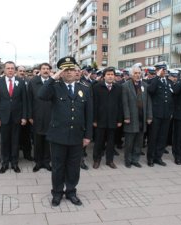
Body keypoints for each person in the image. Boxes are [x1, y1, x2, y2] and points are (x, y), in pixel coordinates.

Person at [38, 56, 93, 207]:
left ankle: (71, 192)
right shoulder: (54, 87)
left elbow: (89, 114)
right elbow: (41, 95)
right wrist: (53, 77)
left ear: (76, 71)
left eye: (71, 69)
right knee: (57, 166)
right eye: (65, 70)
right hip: (58, 136)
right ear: (61, 72)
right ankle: (57, 193)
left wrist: (88, 135)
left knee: (74, 166)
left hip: (77, 136)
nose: (69, 72)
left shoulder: (85, 89)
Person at [0, 61, 27, 174]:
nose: (10, 70)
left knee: (15, 141)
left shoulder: (21, 82)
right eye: (8, 68)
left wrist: (24, 117)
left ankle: (14, 163)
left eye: (12, 68)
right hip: (3, 117)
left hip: (17, 117)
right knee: (4, 141)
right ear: (4, 69)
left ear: (15, 70)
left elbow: (24, 101)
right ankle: (4, 163)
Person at [92, 67, 123, 169]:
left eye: (112, 74)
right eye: (108, 74)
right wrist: (94, 119)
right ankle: (96, 160)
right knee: (98, 141)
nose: (110, 76)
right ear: (104, 76)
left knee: (111, 142)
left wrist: (119, 120)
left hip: (113, 120)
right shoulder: (97, 87)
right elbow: (94, 104)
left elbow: (120, 105)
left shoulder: (118, 88)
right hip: (100, 120)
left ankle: (110, 160)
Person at [122, 65, 152, 168]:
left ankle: (135, 159)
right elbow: (124, 103)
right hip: (131, 118)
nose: (137, 75)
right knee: (129, 142)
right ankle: (128, 160)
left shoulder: (145, 85)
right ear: (131, 74)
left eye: (139, 73)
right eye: (135, 73)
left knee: (139, 141)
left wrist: (149, 116)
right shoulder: (125, 86)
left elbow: (148, 103)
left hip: (142, 118)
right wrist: (126, 116)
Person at [147, 62, 174, 167]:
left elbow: (171, 99)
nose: (164, 72)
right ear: (157, 70)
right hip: (156, 114)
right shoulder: (153, 81)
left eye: (165, 70)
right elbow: (151, 90)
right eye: (162, 70)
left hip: (166, 115)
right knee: (153, 137)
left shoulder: (168, 82)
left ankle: (158, 157)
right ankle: (151, 158)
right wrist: (157, 77)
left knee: (162, 137)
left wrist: (171, 112)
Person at [28, 63, 52, 172]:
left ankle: (46, 162)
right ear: (40, 70)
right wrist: (30, 115)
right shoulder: (33, 82)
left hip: (51, 116)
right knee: (37, 141)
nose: (46, 70)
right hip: (36, 116)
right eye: (44, 68)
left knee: (48, 140)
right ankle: (38, 162)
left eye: (47, 69)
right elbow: (29, 100)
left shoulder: (54, 82)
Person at [16, 66, 33, 161]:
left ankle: (27, 154)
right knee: (16, 136)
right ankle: (15, 155)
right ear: (17, 72)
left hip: (26, 113)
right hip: (16, 113)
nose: (22, 72)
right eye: (20, 71)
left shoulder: (29, 82)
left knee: (26, 136)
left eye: (23, 71)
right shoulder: (14, 81)